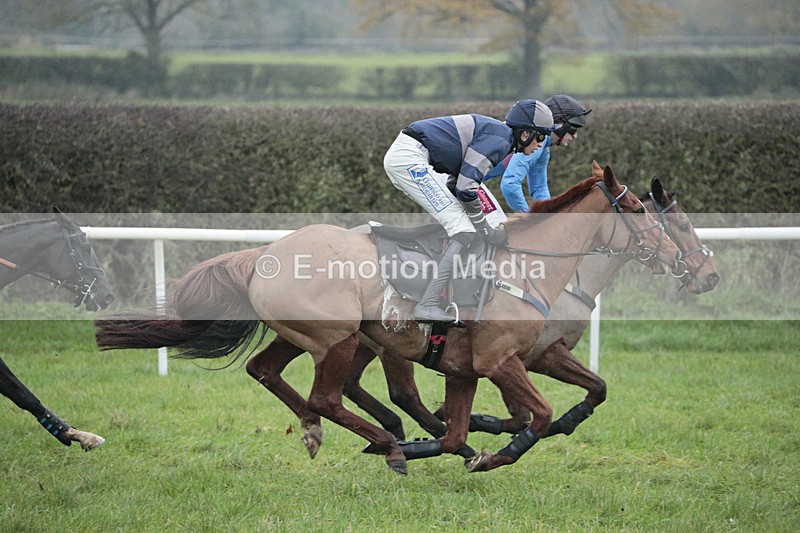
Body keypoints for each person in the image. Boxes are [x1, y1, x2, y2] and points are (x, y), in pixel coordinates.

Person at [383, 99, 554, 322]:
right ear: (525, 134)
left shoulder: (501, 137)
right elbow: (466, 188)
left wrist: (481, 224)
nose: (541, 144)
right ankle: (427, 304)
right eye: (540, 136)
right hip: (409, 159)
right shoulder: (500, 141)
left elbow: (457, 183)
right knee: (463, 229)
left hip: (411, 156)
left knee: (464, 223)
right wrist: (485, 229)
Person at [483, 94, 591, 213]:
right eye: (573, 128)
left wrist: (549, 217)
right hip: (463, 178)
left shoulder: (542, 147)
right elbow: (510, 185)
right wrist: (530, 219)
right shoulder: (534, 142)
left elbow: (539, 188)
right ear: (559, 124)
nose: (575, 136)